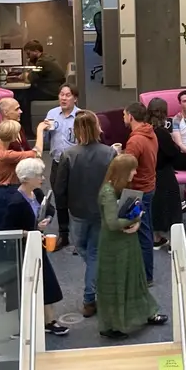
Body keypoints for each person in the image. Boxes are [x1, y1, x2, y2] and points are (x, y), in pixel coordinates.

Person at [0, 156, 69, 335]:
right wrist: (32, 231)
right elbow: (7, 230)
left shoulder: (36, 193)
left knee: (45, 282)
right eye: (38, 175)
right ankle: (27, 325)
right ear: (26, 178)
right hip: (22, 250)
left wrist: (47, 220)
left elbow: (49, 210)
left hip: (36, 245)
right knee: (25, 287)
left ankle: (49, 321)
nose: (42, 178)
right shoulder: (15, 203)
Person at [96, 153, 168, 337]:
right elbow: (112, 223)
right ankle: (114, 325)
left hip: (127, 241)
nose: (135, 173)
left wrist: (135, 222)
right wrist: (136, 218)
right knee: (118, 282)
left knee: (135, 278)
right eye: (132, 169)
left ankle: (146, 312)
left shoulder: (119, 188)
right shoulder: (108, 192)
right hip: (114, 246)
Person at [62, 112, 115, 318]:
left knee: (85, 250)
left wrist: (62, 219)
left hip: (77, 211)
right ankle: (97, 289)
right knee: (93, 253)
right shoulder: (109, 153)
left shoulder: (68, 154)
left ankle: (89, 298)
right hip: (101, 210)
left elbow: (60, 188)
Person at [0, 117, 47, 229]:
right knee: (15, 229)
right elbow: (37, 153)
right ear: (14, 137)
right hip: (9, 192)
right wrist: (40, 130)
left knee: (2, 228)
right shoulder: (8, 155)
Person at [123, 101, 159, 283]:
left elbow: (127, 168)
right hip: (149, 187)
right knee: (146, 229)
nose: (123, 118)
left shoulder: (135, 140)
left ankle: (146, 276)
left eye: (124, 114)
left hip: (136, 193)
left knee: (141, 233)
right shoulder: (149, 133)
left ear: (130, 116)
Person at [41, 83, 82, 241]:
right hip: (57, 164)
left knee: (77, 199)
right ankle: (63, 234)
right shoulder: (52, 113)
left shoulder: (81, 116)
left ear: (75, 99)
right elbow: (45, 141)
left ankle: (79, 236)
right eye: (61, 95)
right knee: (59, 198)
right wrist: (44, 131)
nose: (63, 98)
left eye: (68, 95)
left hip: (76, 165)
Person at [145, 98, 186, 251]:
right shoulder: (161, 133)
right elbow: (173, 153)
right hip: (164, 173)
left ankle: (156, 239)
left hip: (150, 172)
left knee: (156, 207)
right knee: (172, 208)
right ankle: (174, 245)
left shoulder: (144, 128)